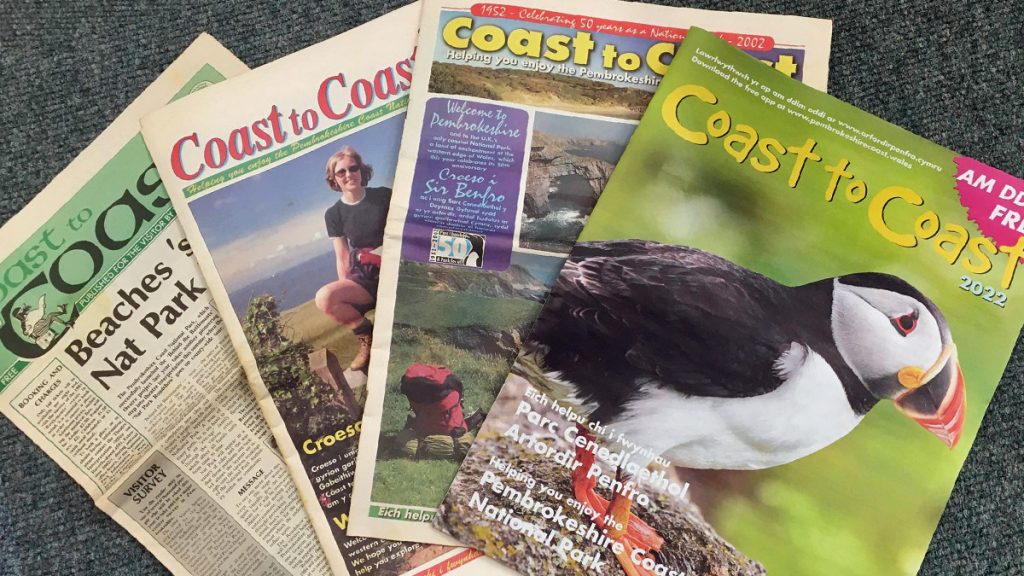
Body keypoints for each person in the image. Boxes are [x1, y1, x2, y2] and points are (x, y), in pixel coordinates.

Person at [314, 146, 391, 372]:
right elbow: (342, 255)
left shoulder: (384, 195)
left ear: (361, 170)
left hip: (398, 266)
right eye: (341, 172)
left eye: (353, 168)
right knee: (324, 298)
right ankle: (366, 335)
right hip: (366, 275)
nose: (349, 175)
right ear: (334, 179)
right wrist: (347, 288)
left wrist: (385, 251)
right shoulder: (333, 215)